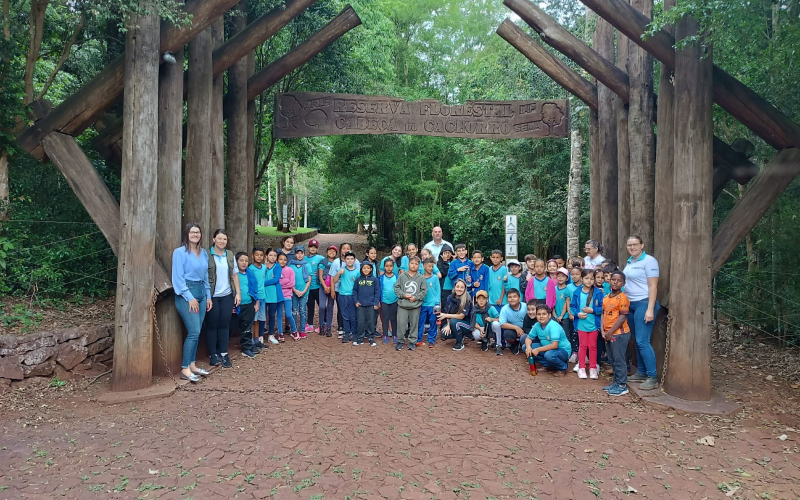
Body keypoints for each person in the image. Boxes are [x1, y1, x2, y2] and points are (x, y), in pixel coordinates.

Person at [172, 223, 212, 382]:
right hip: (187, 293)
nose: (195, 234)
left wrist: (208, 295)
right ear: (186, 234)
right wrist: (190, 297)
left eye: (198, 232)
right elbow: (178, 278)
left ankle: (192, 364)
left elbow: (206, 277)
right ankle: (184, 368)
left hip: (202, 292)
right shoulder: (179, 252)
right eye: (192, 232)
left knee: (198, 330)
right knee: (194, 331)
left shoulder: (203, 253)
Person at [622, 235, 661, 390]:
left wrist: (650, 308)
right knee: (636, 339)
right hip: (630, 304)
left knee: (642, 341)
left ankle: (653, 376)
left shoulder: (649, 261)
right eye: (629, 245)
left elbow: (653, 286)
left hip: (644, 303)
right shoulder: (630, 262)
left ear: (642, 245)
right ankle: (642, 372)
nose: (632, 247)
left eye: (635, 244)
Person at [206, 229, 241, 368]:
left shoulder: (230, 255)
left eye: (224, 239)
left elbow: (235, 275)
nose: (222, 241)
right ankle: (213, 354)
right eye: (219, 239)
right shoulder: (207, 254)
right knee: (212, 325)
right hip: (212, 295)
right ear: (214, 239)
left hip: (227, 294)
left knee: (224, 325)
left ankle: (224, 353)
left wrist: (238, 293)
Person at [570, 269, 604, 380]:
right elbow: (572, 306)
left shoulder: (598, 293)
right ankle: (581, 367)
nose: (589, 281)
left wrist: (592, 310)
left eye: (591, 279)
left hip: (594, 324)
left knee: (593, 346)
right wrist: (578, 314)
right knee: (583, 346)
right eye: (586, 278)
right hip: (581, 324)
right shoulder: (577, 292)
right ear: (582, 279)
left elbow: (602, 309)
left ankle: (593, 368)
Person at [602, 271, 632, 396]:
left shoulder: (623, 298)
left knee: (619, 359)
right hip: (608, 333)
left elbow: (622, 318)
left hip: (619, 333)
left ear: (623, 283)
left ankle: (622, 385)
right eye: (613, 279)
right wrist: (603, 331)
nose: (616, 282)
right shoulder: (606, 297)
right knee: (612, 359)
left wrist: (610, 332)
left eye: (619, 280)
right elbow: (603, 314)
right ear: (609, 280)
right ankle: (615, 382)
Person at [525, 303, 571, 376]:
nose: (541, 316)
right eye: (539, 314)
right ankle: (548, 365)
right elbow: (528, 338)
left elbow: (555, 345)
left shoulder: (553, 326)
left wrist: (538, 350)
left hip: (562, 350)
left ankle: (562, 368)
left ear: (549, 315)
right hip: (547, 348)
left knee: (549, 355)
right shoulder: (537, 325)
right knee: (526, 347)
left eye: (544, 314)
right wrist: (528, 347)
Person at [394, 256, 427, 351]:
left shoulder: (421, 278)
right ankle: (400, 341)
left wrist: (416, 297)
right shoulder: (402, 276)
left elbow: (424, 291)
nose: (414, 265)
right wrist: (403, 295)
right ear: (408, 264)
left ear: (419, 266)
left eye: (416, 264)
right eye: (412, 263)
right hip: (403, 305)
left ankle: (412, 341)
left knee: (414, 324)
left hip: (415, 306)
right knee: (401, 324)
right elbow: (396, 288)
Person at [329, 242, 358, 338]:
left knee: (353, 314)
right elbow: (334, 279)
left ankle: (353, 332)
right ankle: (344, 330)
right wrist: (339, 273)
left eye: (348, 248)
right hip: (341, 292)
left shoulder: (357, 266)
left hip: (353, 294)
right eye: (344, 248)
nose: (349, 260)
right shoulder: (337, 264)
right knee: (343, 312)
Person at [234, 251, 260, 358]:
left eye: (246, 261)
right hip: (237, 305)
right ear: (236, 262)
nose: (244, 263)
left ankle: (247, 347)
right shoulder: (234, 274)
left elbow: (255, 288)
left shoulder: (250, 273)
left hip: (249, 303)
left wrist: (256, 303)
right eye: (241, 260)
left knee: (247, 326)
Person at [438, 279, 473, 351]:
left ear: (465, 289)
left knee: (454, 321)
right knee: (444, 334)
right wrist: (448, 325)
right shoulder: (449, 298)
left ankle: (459, 343)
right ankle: (460, 335)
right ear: (454, 287)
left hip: (467, 325)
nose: (459, 289)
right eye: (457, 287)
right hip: (454, 322)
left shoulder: (467, 299)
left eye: (462, 287)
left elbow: (461, 316)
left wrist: (446, 316)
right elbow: (448, 313)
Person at [353, 261, 380, 346]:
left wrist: (376, 303)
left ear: (371, 269)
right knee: (360, 321)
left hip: (371, 305)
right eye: (364, 268)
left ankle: (371, 337)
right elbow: (355, 291)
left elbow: (377, 292)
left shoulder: (374, 279)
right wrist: (356, 301)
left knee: (371, 321)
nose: (366, 269)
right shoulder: (358, 280)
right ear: (361, 269)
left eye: (368, 268)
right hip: (360, 305)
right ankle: (360, 337)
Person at [552, 267, 576, 363]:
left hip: (565, 316)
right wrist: (554, 314)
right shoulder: (553, 288)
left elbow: (567, 303)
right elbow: (552, 302)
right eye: (559, 276)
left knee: (566, 334)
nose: (560, 278)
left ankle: (568, 352)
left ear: (567, 278)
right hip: (554, 315)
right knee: (555, 334)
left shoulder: (568, 289)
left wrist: (561, 315)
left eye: (563, 276)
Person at [289, 246, 312, 340]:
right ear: (295, 254)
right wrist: (295, 290)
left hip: (304, 292)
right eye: (297, 253)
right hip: (293, 292)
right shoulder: (291, 265)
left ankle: (302, 330)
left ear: (304, 254)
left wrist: (304, 291)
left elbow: (309, 280)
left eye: (301, 253)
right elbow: (289, 280)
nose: (299, 255)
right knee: (294, 311)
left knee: (302, 311)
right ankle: (294, 330)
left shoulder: (307, 265)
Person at [418, 258, 441, 347]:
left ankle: (431, 339)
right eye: (429, 266)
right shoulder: (420, 278)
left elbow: (438, 290)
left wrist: (437, 303)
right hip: (422, 304)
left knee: (433, 322)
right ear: (424, 266)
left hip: (432, 305)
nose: (431, 268)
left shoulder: (435, 277)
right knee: (420, 322)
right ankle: (419, 339)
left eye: (432, 266)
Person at [249, 247, 270, 347]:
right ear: (253, 255)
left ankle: (257, 340)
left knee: (259, 320)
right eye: (257, 255)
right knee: (253, 320)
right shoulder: (250, 269)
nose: (259, 257)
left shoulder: (264, 268)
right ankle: (251, 341)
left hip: (263, 297)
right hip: (255, 298)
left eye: (261, 255)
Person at [276, 252, 299, 341]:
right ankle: (280, 333)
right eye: (281, 259)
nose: (283, 261)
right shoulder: (276, 269)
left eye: (285, 260)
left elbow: (292, 283)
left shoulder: (290, 270)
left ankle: (294, 331)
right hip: (278, 295)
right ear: (277, 260)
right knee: (279, 315)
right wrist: (286, 281)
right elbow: (275, 282)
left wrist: (282, 281)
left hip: (287, 295)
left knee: (289, 314)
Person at [498, 288, 527, 354]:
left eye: (514, 296)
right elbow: (502, 324)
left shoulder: (526, 306)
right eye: (510, 297)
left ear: (519, 298)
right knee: (507, 334)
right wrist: (516, 328)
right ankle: (514, 344)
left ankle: (524, 344)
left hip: (526, 328)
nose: (512, 299)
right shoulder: (504, 309)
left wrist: (522, 330)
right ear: (507, 299)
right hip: (513, 329)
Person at [305, 239, 324, 333]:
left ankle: (323, 324)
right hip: (308, 287)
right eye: (311, 247)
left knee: (321, 305)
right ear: (308, 247)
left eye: (315, 247)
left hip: (317, 286)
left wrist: (322, 274)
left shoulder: (320, 258)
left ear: (317, 249)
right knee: (310, 305)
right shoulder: (304, 259)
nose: (313, 249)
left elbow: (327, 266)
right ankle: (310, 324)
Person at [263, 248, 282, 345]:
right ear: (266, 256)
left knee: (271, 315)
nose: (273, 257)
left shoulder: (277, 267)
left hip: (273, 294)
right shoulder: (263, 266)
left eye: (275, 256)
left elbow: (276, 279)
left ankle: (271, 334)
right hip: (263, 294)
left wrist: (264, 283)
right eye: (270, 255)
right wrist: (265, 268)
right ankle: (260, 335)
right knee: (262, 315)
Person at [317, 245, 337, 337]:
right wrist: (325, 287)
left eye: (334, 251)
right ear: (327, 252)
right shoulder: (323, 262)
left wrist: (331, 288)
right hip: (323, 286)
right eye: (330, 250)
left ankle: (328, 327)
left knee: (330, 306)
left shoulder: (337, 263)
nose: (332, 252)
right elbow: (320, 276)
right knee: (322, 306)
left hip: (333, 286)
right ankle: (321, 325)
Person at [379, 258, 399, 343]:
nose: (389, 268)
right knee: (385, 319)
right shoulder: (380, 278)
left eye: (391, 266)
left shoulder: (397, 277)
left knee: (393, 318)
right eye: (387, 266)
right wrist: (379, 301)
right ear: (384, 267)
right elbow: (379, 290)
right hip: (384, 301)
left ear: (393, 267)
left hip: (394, 301)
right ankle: (385, 335)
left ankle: (394, 335)